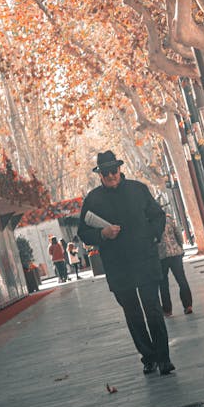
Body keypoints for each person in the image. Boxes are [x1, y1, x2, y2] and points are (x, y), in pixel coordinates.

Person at [77, 150, 175, 376]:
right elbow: (83, 232)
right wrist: (102, 233)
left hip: (145, 259)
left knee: (153, 309)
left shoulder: (138, 190)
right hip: (118, 266)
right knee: (132, 313)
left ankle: (164, 358)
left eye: (114, 170)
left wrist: (152, 236)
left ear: (120, 169)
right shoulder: (92, 200)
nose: (111, 175)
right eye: (106, 172)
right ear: (99, 174)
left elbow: (158, 216)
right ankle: (148, 357)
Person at [158, 214, 193, 316]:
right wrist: (180, 247)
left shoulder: (149, 221)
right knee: (182, 280)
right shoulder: (168, 219)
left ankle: (167, 310)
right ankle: (188, 305)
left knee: (163, 284)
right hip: (175, 253)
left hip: (161, 256)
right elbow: (178, 234)